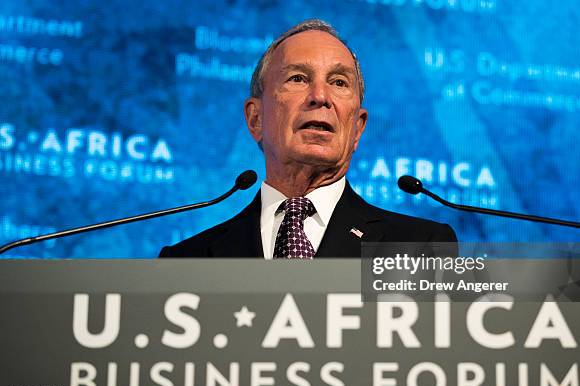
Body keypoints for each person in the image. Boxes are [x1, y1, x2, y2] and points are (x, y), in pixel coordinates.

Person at [159, 19, 456, 258]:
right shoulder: (188, 261)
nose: (320, 97)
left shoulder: (420, 249)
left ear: (357, 128)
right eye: (298, 78)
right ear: (255, 119)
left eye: (339, 82)